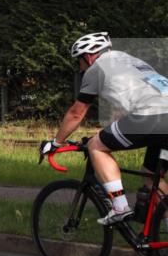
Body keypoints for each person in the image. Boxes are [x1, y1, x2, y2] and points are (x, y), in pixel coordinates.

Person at [40, 33, 168, 227]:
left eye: (79, 62)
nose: (81, 68)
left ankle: (119, 206)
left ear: (89, 56)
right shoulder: (129, 61)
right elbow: (121, 120)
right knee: (150, 176)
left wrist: (56, 142)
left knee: (96, 147)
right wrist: (100, 135)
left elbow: (76, 113)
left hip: (149, 116)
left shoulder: (96, 68)